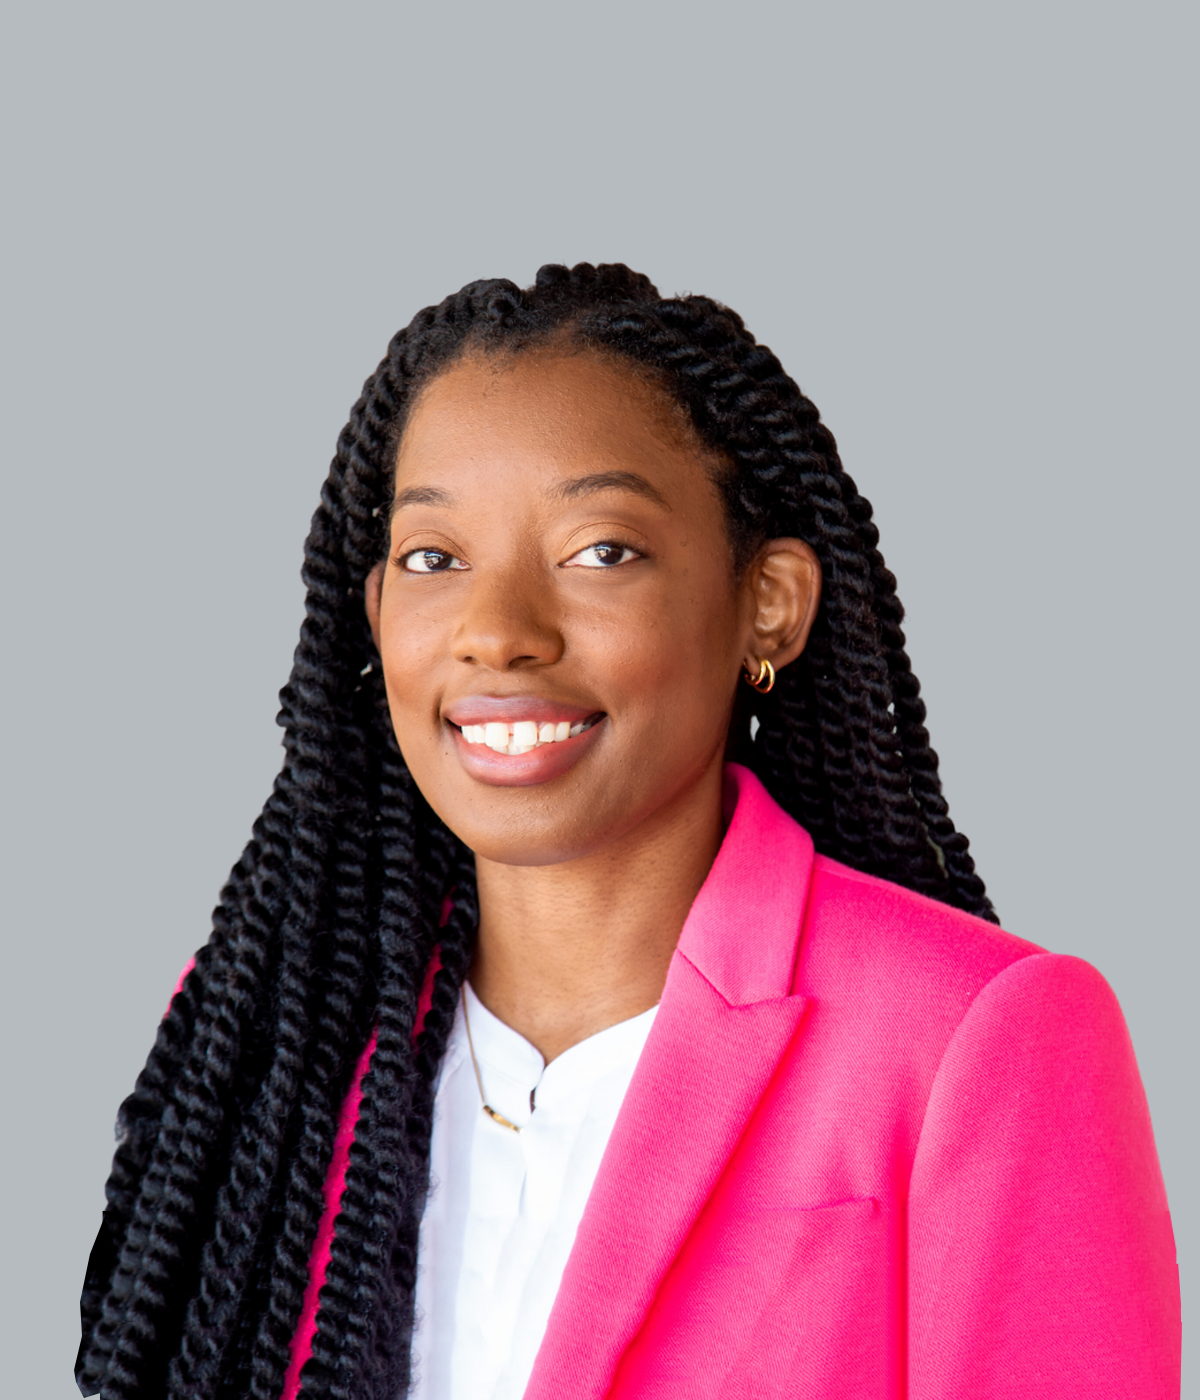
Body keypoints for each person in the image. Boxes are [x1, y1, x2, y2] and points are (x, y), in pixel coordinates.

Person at [77, 263, 1180, 1400]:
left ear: (769, 603)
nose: (497, 631)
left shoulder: (972, 1042)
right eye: (433, 558)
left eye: (600, 550)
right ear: (374, 614)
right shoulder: (270, 1030)